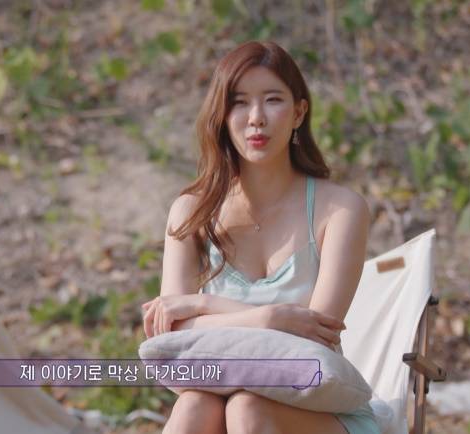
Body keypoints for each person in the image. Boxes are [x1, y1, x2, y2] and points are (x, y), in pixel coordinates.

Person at [141, 41, 380, 434]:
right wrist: (268, 317)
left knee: (247, 409)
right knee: (194, 407)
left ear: (299, 112)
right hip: (217, 405)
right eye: (239, 102)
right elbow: (169, 336)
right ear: (222, 115)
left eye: (272, 100)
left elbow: (317, 338)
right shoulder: (191, 212)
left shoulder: (340, 210)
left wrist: (203, 306)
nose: (256, 118)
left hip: (315, 410)